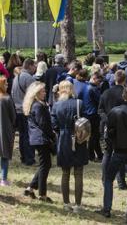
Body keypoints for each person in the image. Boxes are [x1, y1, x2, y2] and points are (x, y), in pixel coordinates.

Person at [97, 87, 127, 224]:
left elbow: (109, 133)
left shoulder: (115, 112)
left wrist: (112, 144)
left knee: (108, 179)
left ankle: (107, 208)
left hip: (119, 151)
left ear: (123, 96)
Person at [51, 81, 89, 213]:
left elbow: (53, 125)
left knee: (65, 173)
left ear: (61, 90)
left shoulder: (56, 105)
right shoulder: (79, 103)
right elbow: (85, 122)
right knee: (78, 173)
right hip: (79, 139)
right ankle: (78, 205)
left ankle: (66, 203)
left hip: (64, 139)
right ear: (72, 89)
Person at [23, 81, 56, 202]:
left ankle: (30, 188)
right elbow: (44, 124)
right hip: (41, 139)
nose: (45, 93)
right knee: (45, 166)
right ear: (36, 93)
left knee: (44, 165)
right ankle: (42, 194)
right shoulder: (38, 106)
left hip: (37, 138)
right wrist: (53, 135)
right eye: (43, 91)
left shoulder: (36, 104)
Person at [98, 70, 127, 189]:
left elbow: (100, 110)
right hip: (121, 127)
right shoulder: (125, 93)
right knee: (120, 155)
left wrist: (107, 120)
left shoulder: (106, 92)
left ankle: (105, 180)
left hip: (106, 126)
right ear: (124, 80)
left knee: (107, 153)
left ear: (115, 79)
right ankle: (121, 182)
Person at [12, 58, 36, 166]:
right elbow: (33, 96)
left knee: (22, 135)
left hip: (18, 110)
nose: (35, 68)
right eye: (34, 65)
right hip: (26, 111)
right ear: (30, 66)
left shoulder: (16, 77)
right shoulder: (29, 78)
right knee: (28, 135)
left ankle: (23, 157)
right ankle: (29, 159)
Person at [83, 72, 103, 162]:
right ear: (94, 79)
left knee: (92, 136)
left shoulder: (86, 86)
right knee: (94, 136)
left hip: (87, 113)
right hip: (93, 114)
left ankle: (94, 154)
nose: (100, 83)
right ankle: (93, 155)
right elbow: (100, 101)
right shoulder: (93, 89)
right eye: (99, 81)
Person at [0, 76, 16, 186]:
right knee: (4, 155)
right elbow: (13, 116)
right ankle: (3, 179)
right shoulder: (7, 98)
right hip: (5, 130)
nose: (7, 85)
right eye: (5, 84)